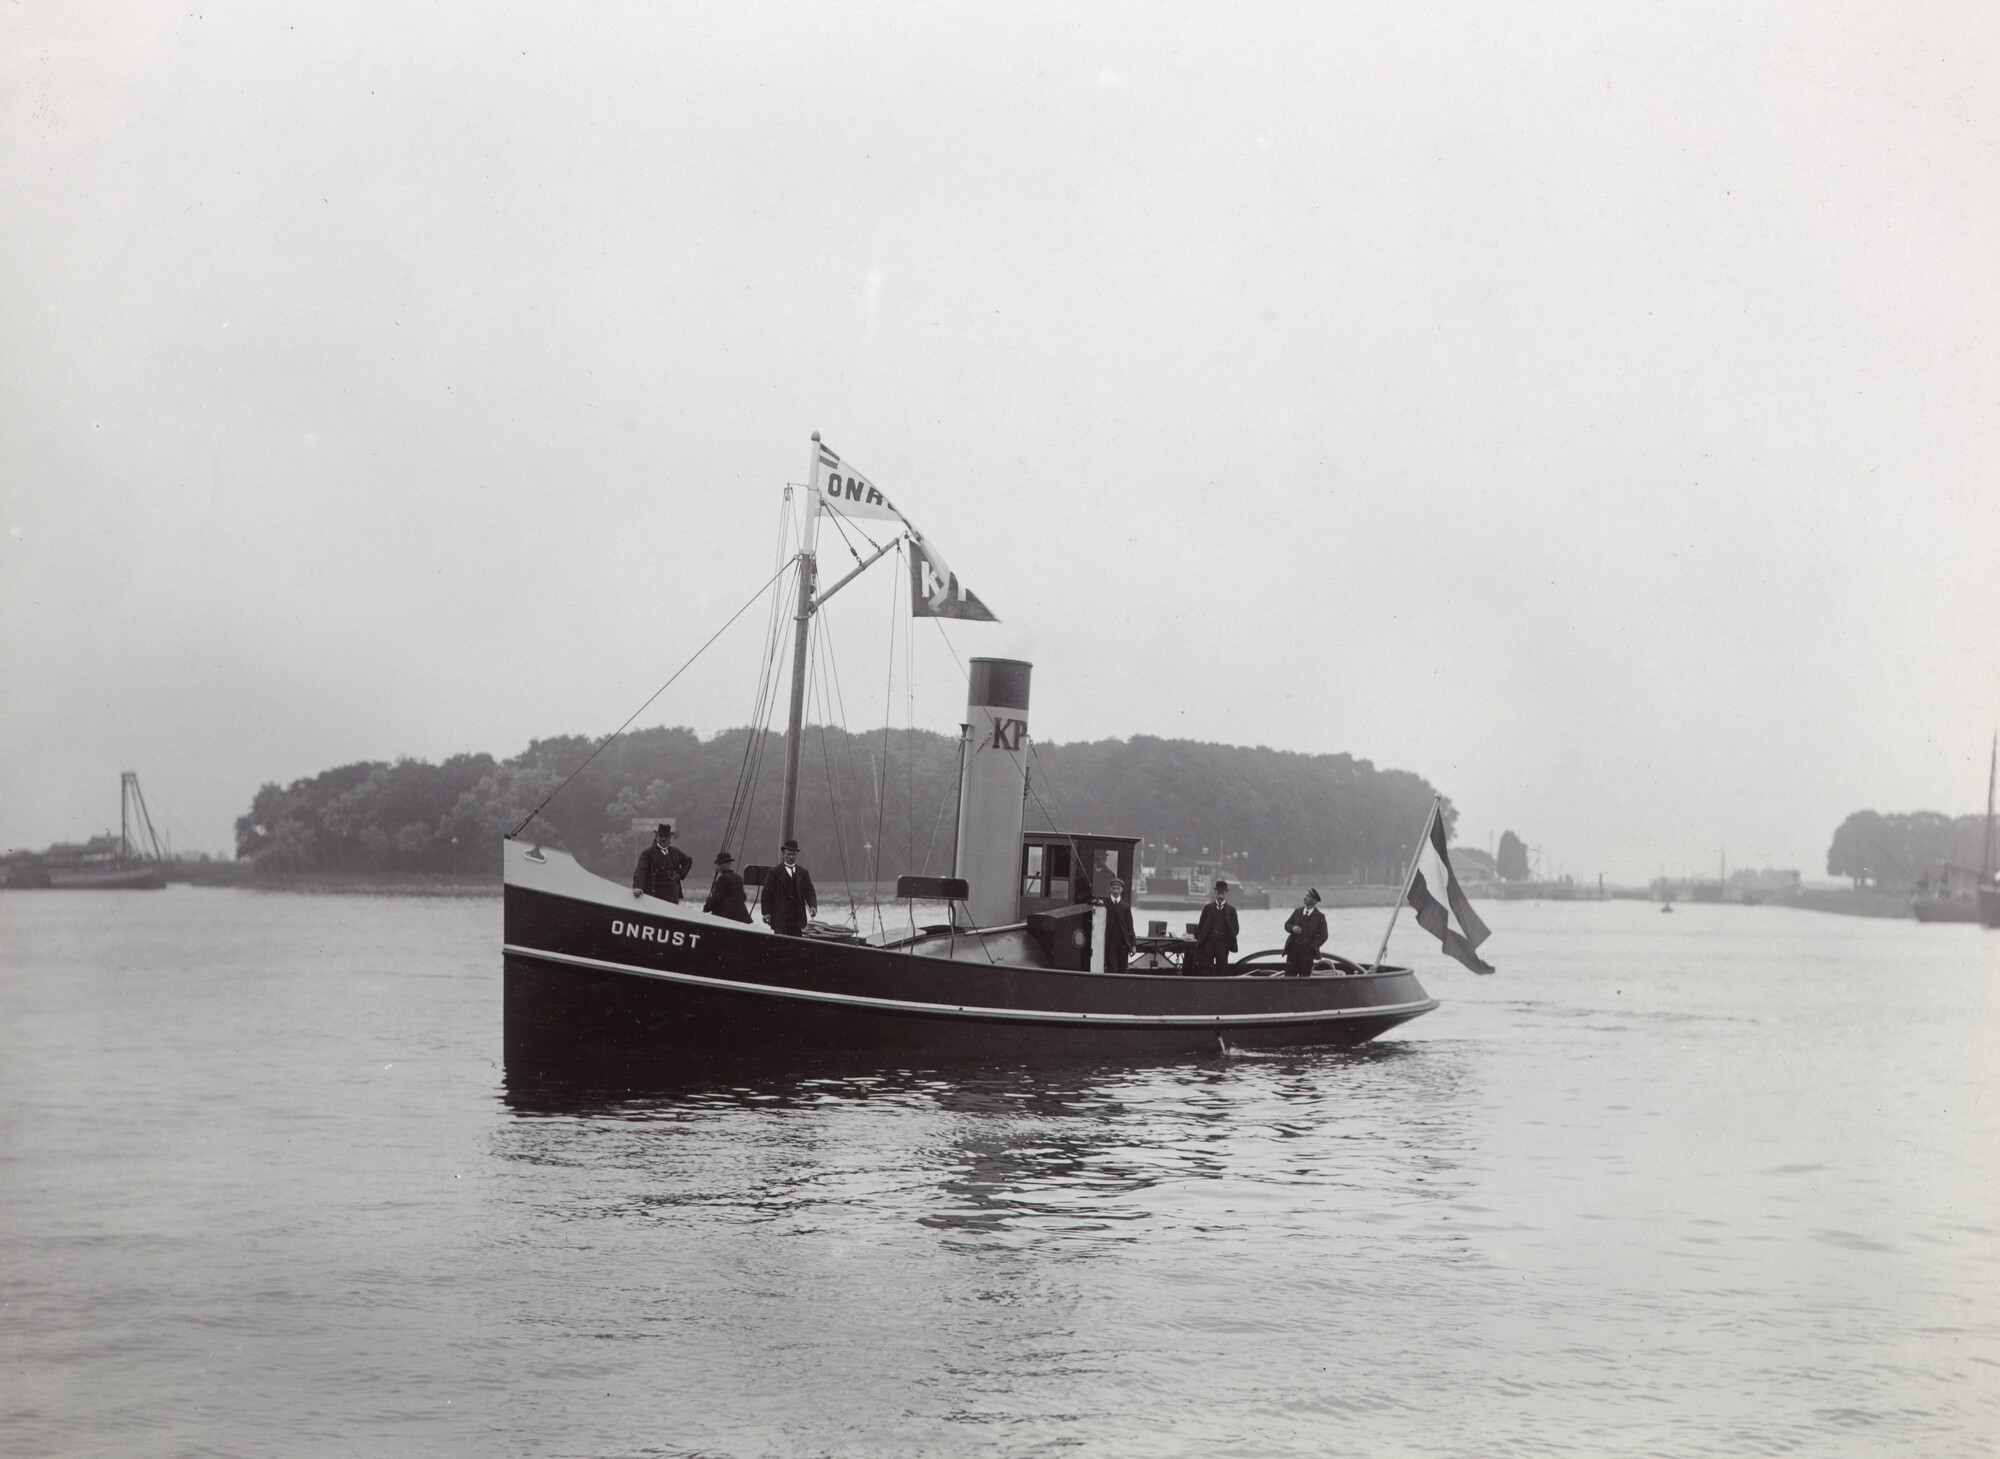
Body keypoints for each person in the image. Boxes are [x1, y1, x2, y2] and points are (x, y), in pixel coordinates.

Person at [761, 838, 818, 936]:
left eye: (793, 854)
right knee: (780, 942)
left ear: (797, 855)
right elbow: (766, 894)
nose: (791, 857)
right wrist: (766, 912)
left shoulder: (803, 872)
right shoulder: (773, 872)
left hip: (797, 917)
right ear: (783, 854)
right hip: (779, 916)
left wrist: (812, 905)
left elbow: (810, 891)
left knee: (796, 943)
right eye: (788, 854)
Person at [631, 822, 693, 902]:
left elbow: (688, 861)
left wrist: (680, 875)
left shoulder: (674, 852)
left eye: (666, 837)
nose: (663, 839)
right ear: (656, 837)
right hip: (655, 896)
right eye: (661, 836)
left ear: (670, 838)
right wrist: (638, 887)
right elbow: (640, 871)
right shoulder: (648, 853)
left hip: (672, 896)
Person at [1188, 879, 1239, 975]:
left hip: (1223, 945)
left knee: (1222, 969)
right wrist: (1204, 942)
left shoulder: (1231, 911)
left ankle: (1221, 988)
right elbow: (1201, 926)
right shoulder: (1207, 908)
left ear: (1226, 894)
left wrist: (1226, 942)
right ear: (1214, 893)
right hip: (1209, 945)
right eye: (1218, 893)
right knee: (1206, 969)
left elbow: (1236, 929)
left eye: (1222, 893)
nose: (1220, 896)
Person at [1283, 888, 1328, 977]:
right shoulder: (1297, 912)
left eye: (1308, 896)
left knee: (1305, 977)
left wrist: (1312, 946)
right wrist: (1292, 928)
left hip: (1307, 953)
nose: (1305, 897)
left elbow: (1324, 936)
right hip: (1293, 951)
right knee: (1289, 976)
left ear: (1314, 901)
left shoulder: (1320, 917)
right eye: (1305, 895)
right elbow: (1287, 924)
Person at [703, 850, 751, 923]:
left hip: (725, 916)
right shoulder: (738, 878)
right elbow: (743, 897)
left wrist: (706, 908)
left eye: (719, 864)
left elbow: (716, 898)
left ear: (725, 864)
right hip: (741, 917)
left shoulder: (723, 879)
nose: (718, 867)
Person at [1102, 876, 1136, 973]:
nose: (1116, 891)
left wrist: (1133, 945)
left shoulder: (1125, 906)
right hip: (1110, 941)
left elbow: (1130, 926)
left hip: (1123, 942)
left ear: (1122, 890)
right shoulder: (1105, 904)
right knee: (1111, 967)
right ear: (1110, 889)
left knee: (1122, 969)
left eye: (1118, 889)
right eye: (1114, 888)